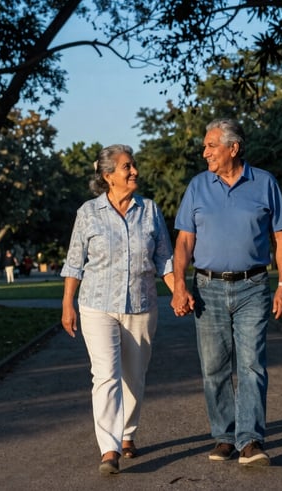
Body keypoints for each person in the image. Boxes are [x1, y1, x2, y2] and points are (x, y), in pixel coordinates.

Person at [171, 118, 282, 467]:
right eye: (206, 146)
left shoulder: (265, 182)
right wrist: (179, 285)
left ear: (233, 148)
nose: (205, 151)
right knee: (214, 367)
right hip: (207, 287)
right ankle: (224, 436)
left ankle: (250, 440)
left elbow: (281, 237)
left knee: (252, 364)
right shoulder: (197, 186)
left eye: (211, 145)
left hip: (254, 285)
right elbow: (184, 241)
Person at [60, 144, 176, 476]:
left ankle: (127, 434)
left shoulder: (150, 210)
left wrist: (179, 292)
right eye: (127, 167)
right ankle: (109, 448)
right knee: (105, 375)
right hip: (97, 305)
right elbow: (74, 262)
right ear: (109, 176)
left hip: (141, 304)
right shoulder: (88, 213)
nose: (134, 171)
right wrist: (68, 303)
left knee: (134, 375)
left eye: (134, 165)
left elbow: (164, 259)